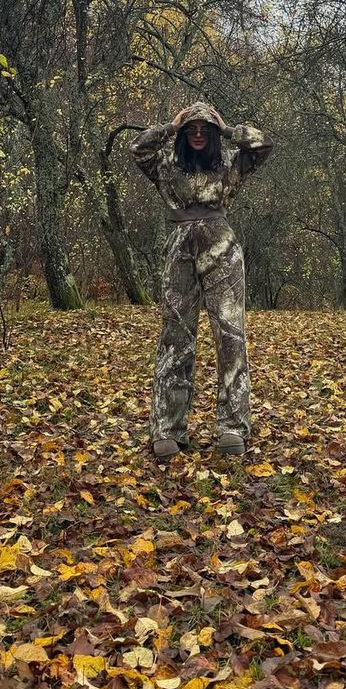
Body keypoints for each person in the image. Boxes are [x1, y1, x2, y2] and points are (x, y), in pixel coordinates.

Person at [130, 100, 273, 460]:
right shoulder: (166, 164)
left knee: (230, 335)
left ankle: (232, 427)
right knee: (175, 336)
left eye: (203, 130)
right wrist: (171, 126)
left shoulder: (229, 162)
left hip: (221, 249)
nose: (197, 135)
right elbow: (138, 147)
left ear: (211, 135)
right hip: (179, 249)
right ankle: (168, 429)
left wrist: (226, 129)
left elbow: (262, 144)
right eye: (191, 129)